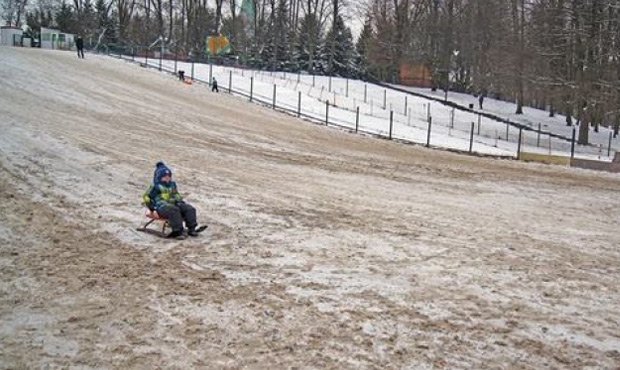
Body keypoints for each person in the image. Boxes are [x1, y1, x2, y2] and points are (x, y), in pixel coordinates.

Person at [143, 162, 200, 239]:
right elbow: (146, 196)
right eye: (165, 176)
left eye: (169, 176)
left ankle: (191, 228)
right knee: (174, 210)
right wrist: (151, 206)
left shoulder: (172, 184)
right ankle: (178, 231)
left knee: (189, 208)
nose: (167, 178)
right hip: (161, 207)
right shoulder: (155, 186)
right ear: (159, 177)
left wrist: (179, 201)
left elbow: (176, 194)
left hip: (174, 204)